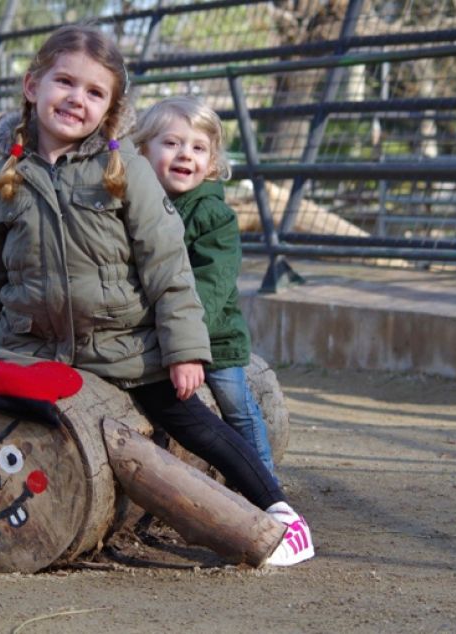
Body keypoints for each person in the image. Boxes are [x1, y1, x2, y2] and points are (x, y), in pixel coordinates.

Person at [0, 24, 313, 566]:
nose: (76, 99)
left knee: (192, 420)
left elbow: (170, 266)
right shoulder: (2, 178)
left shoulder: (126, 171)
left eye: (95, 93)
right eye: (65, 82)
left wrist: (183, 350)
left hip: (123, 346)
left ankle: (278, 511)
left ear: (110, 110)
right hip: (26, 346)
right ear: (31, 85)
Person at [130, 96, 277, 480]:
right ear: (142, 151)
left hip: (211, 336)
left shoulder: (213, 216)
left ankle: (265, 482)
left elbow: (210, 286)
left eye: (198, 148)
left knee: (236, 406)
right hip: (151, 329)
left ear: (211, 164)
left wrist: (186, 344)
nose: (185, 155)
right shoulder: (133, 205)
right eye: (171, 143)